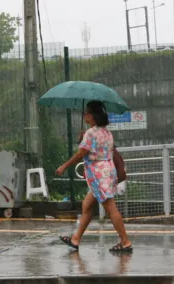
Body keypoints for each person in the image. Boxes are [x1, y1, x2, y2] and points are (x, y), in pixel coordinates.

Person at [56, 100, 132, 253]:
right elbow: (95, 149)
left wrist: (64, 166)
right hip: (108, 173)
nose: (84, 115)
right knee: (87, 206)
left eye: (86, 112)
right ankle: (75, 239)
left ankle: (125, 242)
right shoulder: (106, 132)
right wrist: (83, 139)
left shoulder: (91, 133)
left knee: (111, 209)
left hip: (98, 176)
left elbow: (81, 154)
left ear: (91, 116)